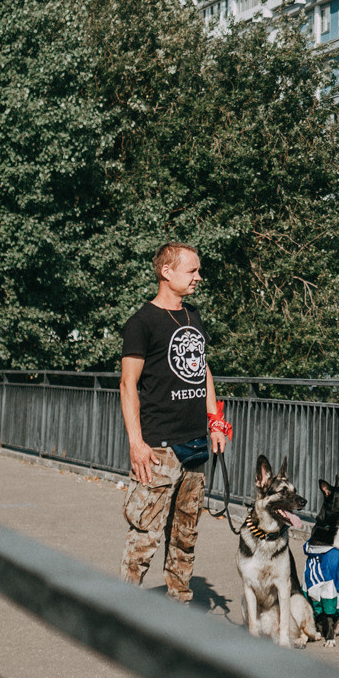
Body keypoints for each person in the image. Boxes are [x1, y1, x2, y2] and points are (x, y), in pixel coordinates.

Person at [120, 243, 229, 600]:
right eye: (192, 270)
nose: (199, 277)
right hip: (159, 448)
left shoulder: (192, 316)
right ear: (167, 272)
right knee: (144, 536)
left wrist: (215, 421)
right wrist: (137, 442)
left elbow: (204, 370)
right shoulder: (141, 322)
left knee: (185, 535)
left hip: (195, 442)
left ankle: (178, 607)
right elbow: (128, 384)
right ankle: (125, 611)